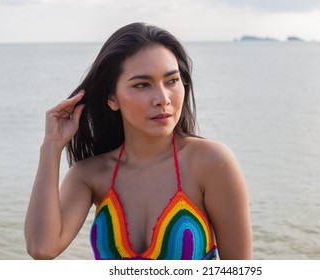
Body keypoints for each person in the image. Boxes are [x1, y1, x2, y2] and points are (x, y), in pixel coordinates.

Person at [24, 22, 252, 260]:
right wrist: (51, 146)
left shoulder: (211, 163)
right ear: (112, 98)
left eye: (171, 80)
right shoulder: (90, 175)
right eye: (142, 85)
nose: (162, 98)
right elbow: (42, 248)